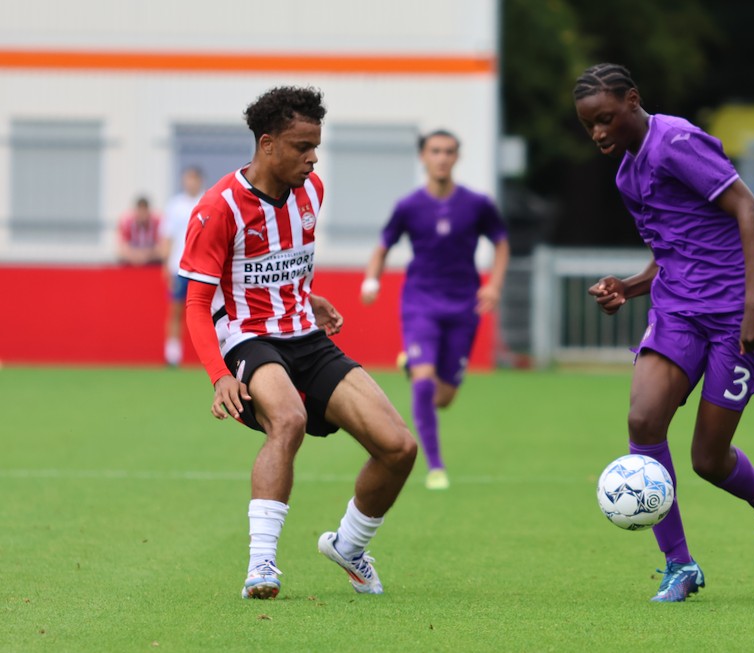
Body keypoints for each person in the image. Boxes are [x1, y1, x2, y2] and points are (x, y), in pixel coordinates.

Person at [179, 86, 417, 600]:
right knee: (288, 420)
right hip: (248, 340)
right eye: (302, 147)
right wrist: (218, 374)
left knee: (399, 447)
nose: (312, 159)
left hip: (304, 337)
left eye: (316, 147)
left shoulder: (312, 192)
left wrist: (310, 298)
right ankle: (261, 565)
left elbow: (280, 265)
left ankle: (349, 547)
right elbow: (197, 304)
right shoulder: (217, 208)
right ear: (267, 145)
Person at [572, 63, 754, 602]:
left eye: (605, 119)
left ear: (632, 101)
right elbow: (674, 250)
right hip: (679, 310)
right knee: (643, 418)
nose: (599, 132)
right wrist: (628, 288)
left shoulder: (675, 142)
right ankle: (680, 565)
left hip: (737, 314)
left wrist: (753, 306)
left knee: (708, 460)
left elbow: (749, 208)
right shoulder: (627, 173)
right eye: (588, 126)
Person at [361, 129, 509, 490]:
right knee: (425, 386)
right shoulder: (409, 206)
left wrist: (493, 285)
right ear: (423, 157)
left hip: (463, 305)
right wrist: (371, 280)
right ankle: (435, 466)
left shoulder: (476, 204)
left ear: (456, 157)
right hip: (420, 302)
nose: (441, 157)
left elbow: (502, 242)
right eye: (435, 151)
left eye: (448, 151)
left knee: (444, 398)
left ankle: (411, 365)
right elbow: (383, 246)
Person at [159, 166, 204, 366]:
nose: (190, 183)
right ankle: (173, 354)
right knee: (176, 310)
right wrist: (165, 265)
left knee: (207, 311)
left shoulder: (207, 201)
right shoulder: (175, 205)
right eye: (188, 179)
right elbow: (168, 237)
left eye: (194, 179)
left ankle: (213, 354)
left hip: (203, 268)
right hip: (179, 267)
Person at [117, 196, 162, 266]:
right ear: (136, 211)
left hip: (151, 261)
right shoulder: (127, 222)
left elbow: (163, 247)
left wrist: (147, 255)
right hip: (131, 261)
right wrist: (137, 256)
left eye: (144, 212)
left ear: (148, 211)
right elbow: (121, 248)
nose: (142, 215)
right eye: (140, 212)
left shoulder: (157, 222)